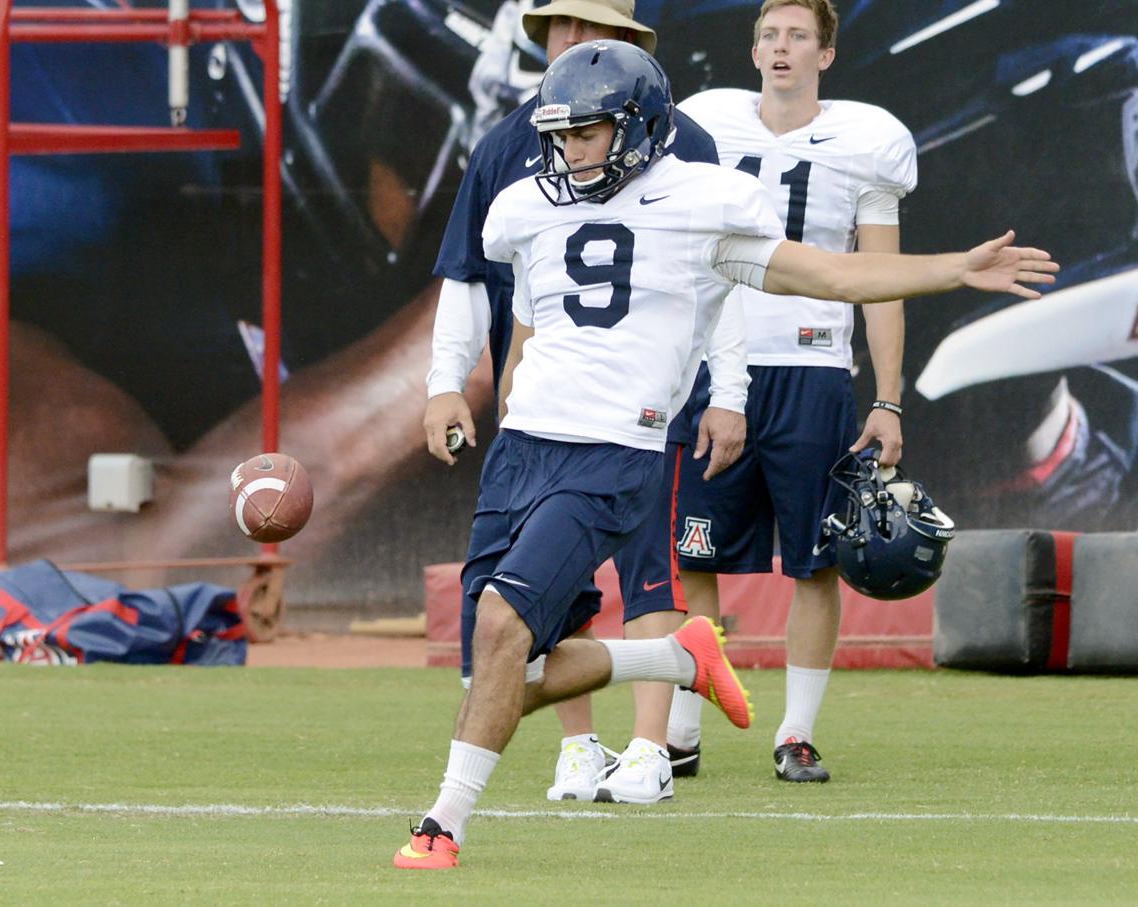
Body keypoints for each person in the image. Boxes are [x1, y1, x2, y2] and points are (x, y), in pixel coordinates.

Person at [394, 38, 1057, 869]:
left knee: (500, 624)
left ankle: (442, 825)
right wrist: (478, 391)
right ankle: (675, 656)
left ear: (636, 127)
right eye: (559, 135)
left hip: (612, 452)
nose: (568, 151)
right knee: (500, 669)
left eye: (587, 133)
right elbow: (530, 322)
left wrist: (956, 269)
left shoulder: (703, 199)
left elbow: (832, 275)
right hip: (525, 446)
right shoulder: (525, 204)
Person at [423, 0, 744, 806]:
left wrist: (728, 389)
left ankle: (648, 748)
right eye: (559, 26)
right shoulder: (507, 146)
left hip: (646, 408)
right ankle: (581, 743)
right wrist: (444, 383)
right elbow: (469, 275)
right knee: (517, 625)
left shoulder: (685, 144)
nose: (573, 42)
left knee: (647, 575)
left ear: (629, 45)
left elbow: (732, 277)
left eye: (591, 28)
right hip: (543, 411)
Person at [650, 0, 914, 783]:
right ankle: (682, 728)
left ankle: (794, 732)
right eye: (770, 34)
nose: (782, 48)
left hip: (813, 371)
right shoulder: (703, 125)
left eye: (799, 35)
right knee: (694, 553)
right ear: (754, 48)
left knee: (815, 562)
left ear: (826, 54)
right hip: (713, 368)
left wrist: (889, 397)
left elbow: (882, 283)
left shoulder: (867, 143)